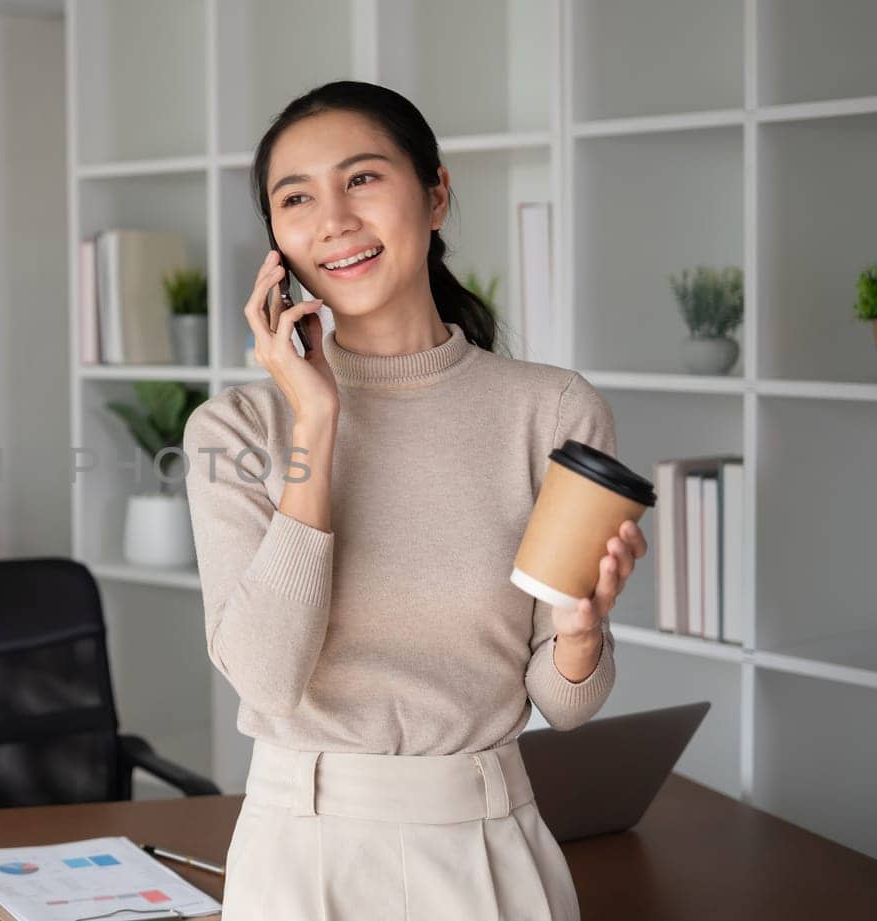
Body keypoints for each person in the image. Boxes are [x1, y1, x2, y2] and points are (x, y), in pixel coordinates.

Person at [181, 80, 648, 920]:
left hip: (491, 846)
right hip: (302, 853)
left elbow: (565, 701)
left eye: (362, 179)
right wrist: (315, 421)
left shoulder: (553, 410)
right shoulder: (235, 426)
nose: (333, 220)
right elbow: (267, 676)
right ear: (277, 240)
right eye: (297, 198)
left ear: (434, 194)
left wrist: (581, 629)